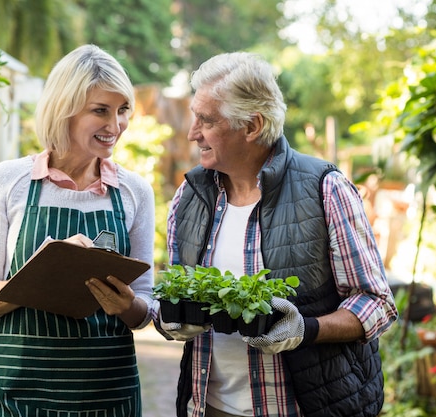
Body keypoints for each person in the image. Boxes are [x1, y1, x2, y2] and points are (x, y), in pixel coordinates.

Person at [155, 52, 398, 417]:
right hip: (209, 406)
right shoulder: (189, 196)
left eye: (206, 120)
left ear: (252, 126)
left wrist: (307, 329)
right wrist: (169, 319)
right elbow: (169, 298)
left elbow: (377, 303)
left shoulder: (324, 189)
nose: (193, 133)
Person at [0, 44, 155, 417]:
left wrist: (128, 305)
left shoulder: (134, 192)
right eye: (100, 110)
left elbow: (147, 309)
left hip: (108, 395)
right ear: (64, 108)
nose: (115, 126)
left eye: (122, 110)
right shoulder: (7, 181)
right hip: (20, 395)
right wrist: (39, 274)